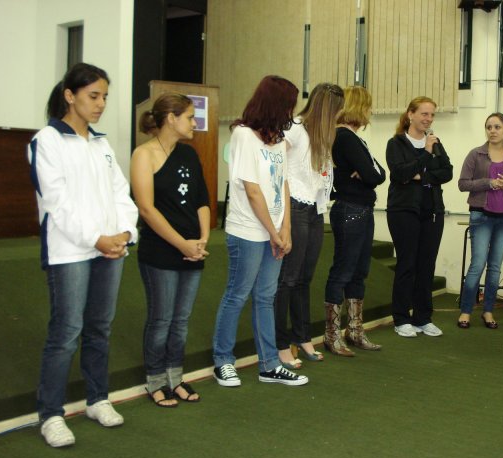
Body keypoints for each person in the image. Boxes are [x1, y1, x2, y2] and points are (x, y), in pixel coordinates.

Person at [28, 63, 138, 447]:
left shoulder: (101, 144)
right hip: (70, 253)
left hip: (110, 251)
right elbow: (56, 203)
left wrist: (125, 233)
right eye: (93, 96)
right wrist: (97, 238)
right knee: (66, 333)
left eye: (105, 96)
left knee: (99, 328)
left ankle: (97, 399)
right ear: (69, 96)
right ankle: (51, 415)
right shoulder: (47, 141)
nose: (101, 103)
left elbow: (121, 194)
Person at [212, 75, 308, 386]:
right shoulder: (243, 135)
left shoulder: (278, 139)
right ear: (274, 104)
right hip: (248, 232)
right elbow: (252, 190)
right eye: (288, 105)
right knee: (237, 294)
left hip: (274, 232)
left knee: (266, 297)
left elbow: (283, 182)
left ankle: (269, 364)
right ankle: (223, 360)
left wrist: (286, 229)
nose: (291, 112)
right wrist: (273, 232)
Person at [131, 93, 210, 407]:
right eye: (189, 117)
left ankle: (175, 378)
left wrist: (202, 239)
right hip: (160, 252)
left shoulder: (189, 154)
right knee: (161, 320)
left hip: (192, 250)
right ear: (171, 119)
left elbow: (202, 200)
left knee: (181, 321)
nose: (194, 123)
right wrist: (181, 244)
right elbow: (146, 209)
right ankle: (155, 380)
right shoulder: (144, 155)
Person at [274, 83, 345, 368]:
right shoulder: (295, 128)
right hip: (294, 206)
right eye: (337, 111)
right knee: (288, 279)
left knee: (304, 278)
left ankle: (302, 337)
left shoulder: (323, 136)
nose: (338, 117)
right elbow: (276, 163)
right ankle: (280, 344)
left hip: (314, 210)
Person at [323, 85, 386, 356]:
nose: (370, 112)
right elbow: (373, 175)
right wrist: (368, 172)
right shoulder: (345, 137)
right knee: (343, 270)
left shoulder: (355, 139)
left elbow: (380, 173)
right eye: (368, 106)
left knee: (359, 271)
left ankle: (355, 330)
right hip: (350, 209)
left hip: (361, 209)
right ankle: (332, 334)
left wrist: (369, 172)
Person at [386, 96, 453, 338]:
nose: (429, 119)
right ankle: (401, 318)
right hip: (404, 210)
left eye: (432, 115)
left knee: (426, 265)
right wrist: (425, 155)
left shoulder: (436, 142)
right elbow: (400, 173)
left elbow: (447, 172)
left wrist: (420, 176)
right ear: (411, 114)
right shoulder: (396, 143)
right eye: (424, 114)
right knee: (407, 264)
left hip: (432, 211)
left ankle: (423, 318)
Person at [457, 113, 503, 329]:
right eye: (489, 127)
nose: (492, 131)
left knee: (495, 267)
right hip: (481, 215)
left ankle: (488, 311)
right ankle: (466, 311)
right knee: (477, 264)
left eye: (497, 127)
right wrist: (488, 183)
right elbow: (463, 184)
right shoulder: (475, 154)